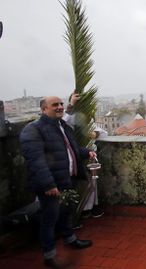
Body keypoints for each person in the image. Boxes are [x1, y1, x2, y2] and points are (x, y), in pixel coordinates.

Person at [20, 96, 95, 268]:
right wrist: (48, 185)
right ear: (43, 109)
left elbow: (69, 150)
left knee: (66, 212)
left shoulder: (61, 126)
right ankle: (49, 256)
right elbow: (36, 161)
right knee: (50, 218)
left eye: (61, 104)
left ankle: (70, 239)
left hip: (67, 179)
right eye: (55, 105)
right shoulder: (33, 130)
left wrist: (85, 152)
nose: (60, 107)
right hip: (52, 184)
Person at [64, 92, 106, 219]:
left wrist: (95, 134)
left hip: (88, 155)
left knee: (92, 183)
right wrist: (71, 104)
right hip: (72, 159)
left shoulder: (87, 120)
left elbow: (102, 132)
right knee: (79, 184)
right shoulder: (66, 120)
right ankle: (81, 210)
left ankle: (92, 207)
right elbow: (64, 121)